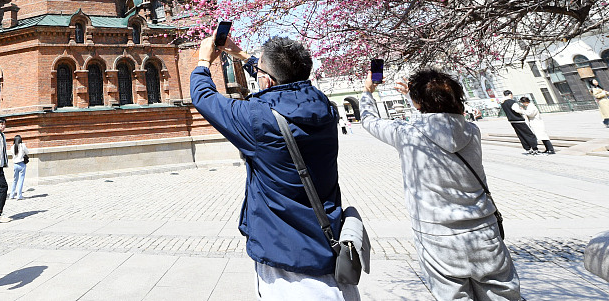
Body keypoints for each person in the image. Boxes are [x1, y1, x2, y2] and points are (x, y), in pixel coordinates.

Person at [191, 35, 359, 300]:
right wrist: (245, 57)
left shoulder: (258, 119)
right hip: (331, 255)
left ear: (266, 80)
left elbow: (204, 97)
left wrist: (203, 61)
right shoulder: (324, 106)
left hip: (289, 270)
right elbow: (288, 81)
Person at [361, 68, 520, 300]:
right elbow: (443, 120)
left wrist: (368, 91)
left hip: (437, 235)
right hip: (484, 231)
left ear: (417, 103)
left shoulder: (406, 134)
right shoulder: (471, 131)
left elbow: (369, 120)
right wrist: (417, 98)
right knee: (502, 295)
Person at [10, 134, 29, 199]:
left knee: (15, 180)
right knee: (21, 180)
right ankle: (19, 195)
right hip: (21, 164)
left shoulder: (12, 147)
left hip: (15, 164)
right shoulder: (22, 145)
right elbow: (27, 152)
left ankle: (11, 195)